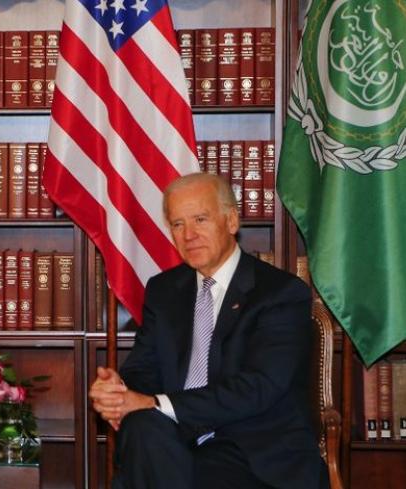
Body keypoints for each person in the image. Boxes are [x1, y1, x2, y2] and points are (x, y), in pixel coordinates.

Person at [89, 172, 325, 489]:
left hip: (251, 446)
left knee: (163, 459)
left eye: (200, 219)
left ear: (231, 221)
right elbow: (144, 369)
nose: (189, 235)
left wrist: (154, 404)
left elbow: (258, 388)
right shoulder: (164, 290)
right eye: (178, 224)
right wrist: (119, 392)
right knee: (143, 428)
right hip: (175, 439)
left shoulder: (279, 292)